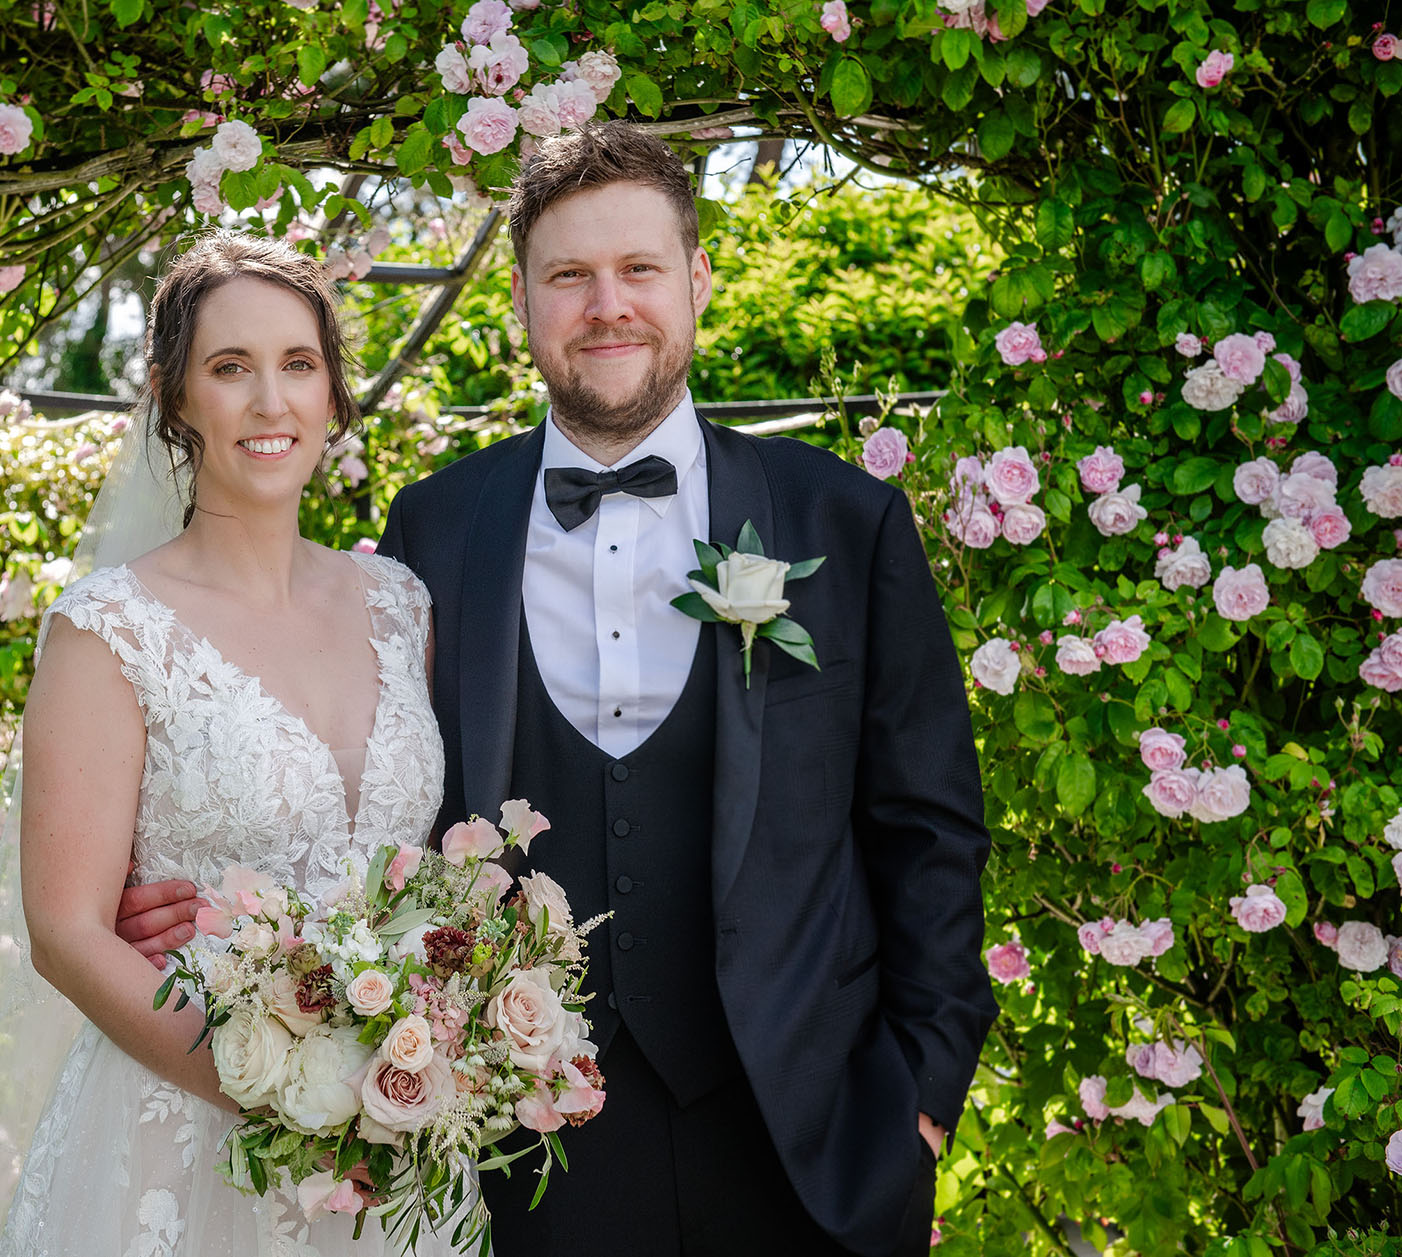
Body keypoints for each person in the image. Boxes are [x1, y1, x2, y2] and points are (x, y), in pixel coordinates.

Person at [121, 122, 997, 1256]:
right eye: (570, 275)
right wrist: (214, 907)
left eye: (639, 268)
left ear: (698, 280)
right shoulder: (436, 529)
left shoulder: (844, 519)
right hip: (522, 1156)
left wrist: (922, 1097)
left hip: (814, 1141)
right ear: (523, 300)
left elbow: (929, 825)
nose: (607, 305)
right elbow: (371, 799)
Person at [0, 232, 454, 1257]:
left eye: (298, 364)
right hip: (181, 1138)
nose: (270, 401)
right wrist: (298, 1105)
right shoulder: (108, 629)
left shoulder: (403, 605)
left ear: (334, 394)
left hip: (396, 1145)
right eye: (230, 368)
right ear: (175, 399)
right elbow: (66, 931)